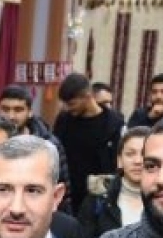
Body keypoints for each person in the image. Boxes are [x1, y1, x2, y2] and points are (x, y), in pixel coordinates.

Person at [0, 85, 74, 213]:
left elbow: (63, 190)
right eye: (5, 109)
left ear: (30, 112)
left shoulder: (49, 144)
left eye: (18, 110)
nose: (11, 116)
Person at [53, 72, 125, 210]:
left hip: (100, 199)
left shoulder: (114, 124)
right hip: (67, 196)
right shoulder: (63, 120)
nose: (68, 108)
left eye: (72, 104)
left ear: (87, 96)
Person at [75, 126, 150, 238]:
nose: (138, 161)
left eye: (144, 154)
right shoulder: (98, 200)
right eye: (130, 154)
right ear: (119, 160)